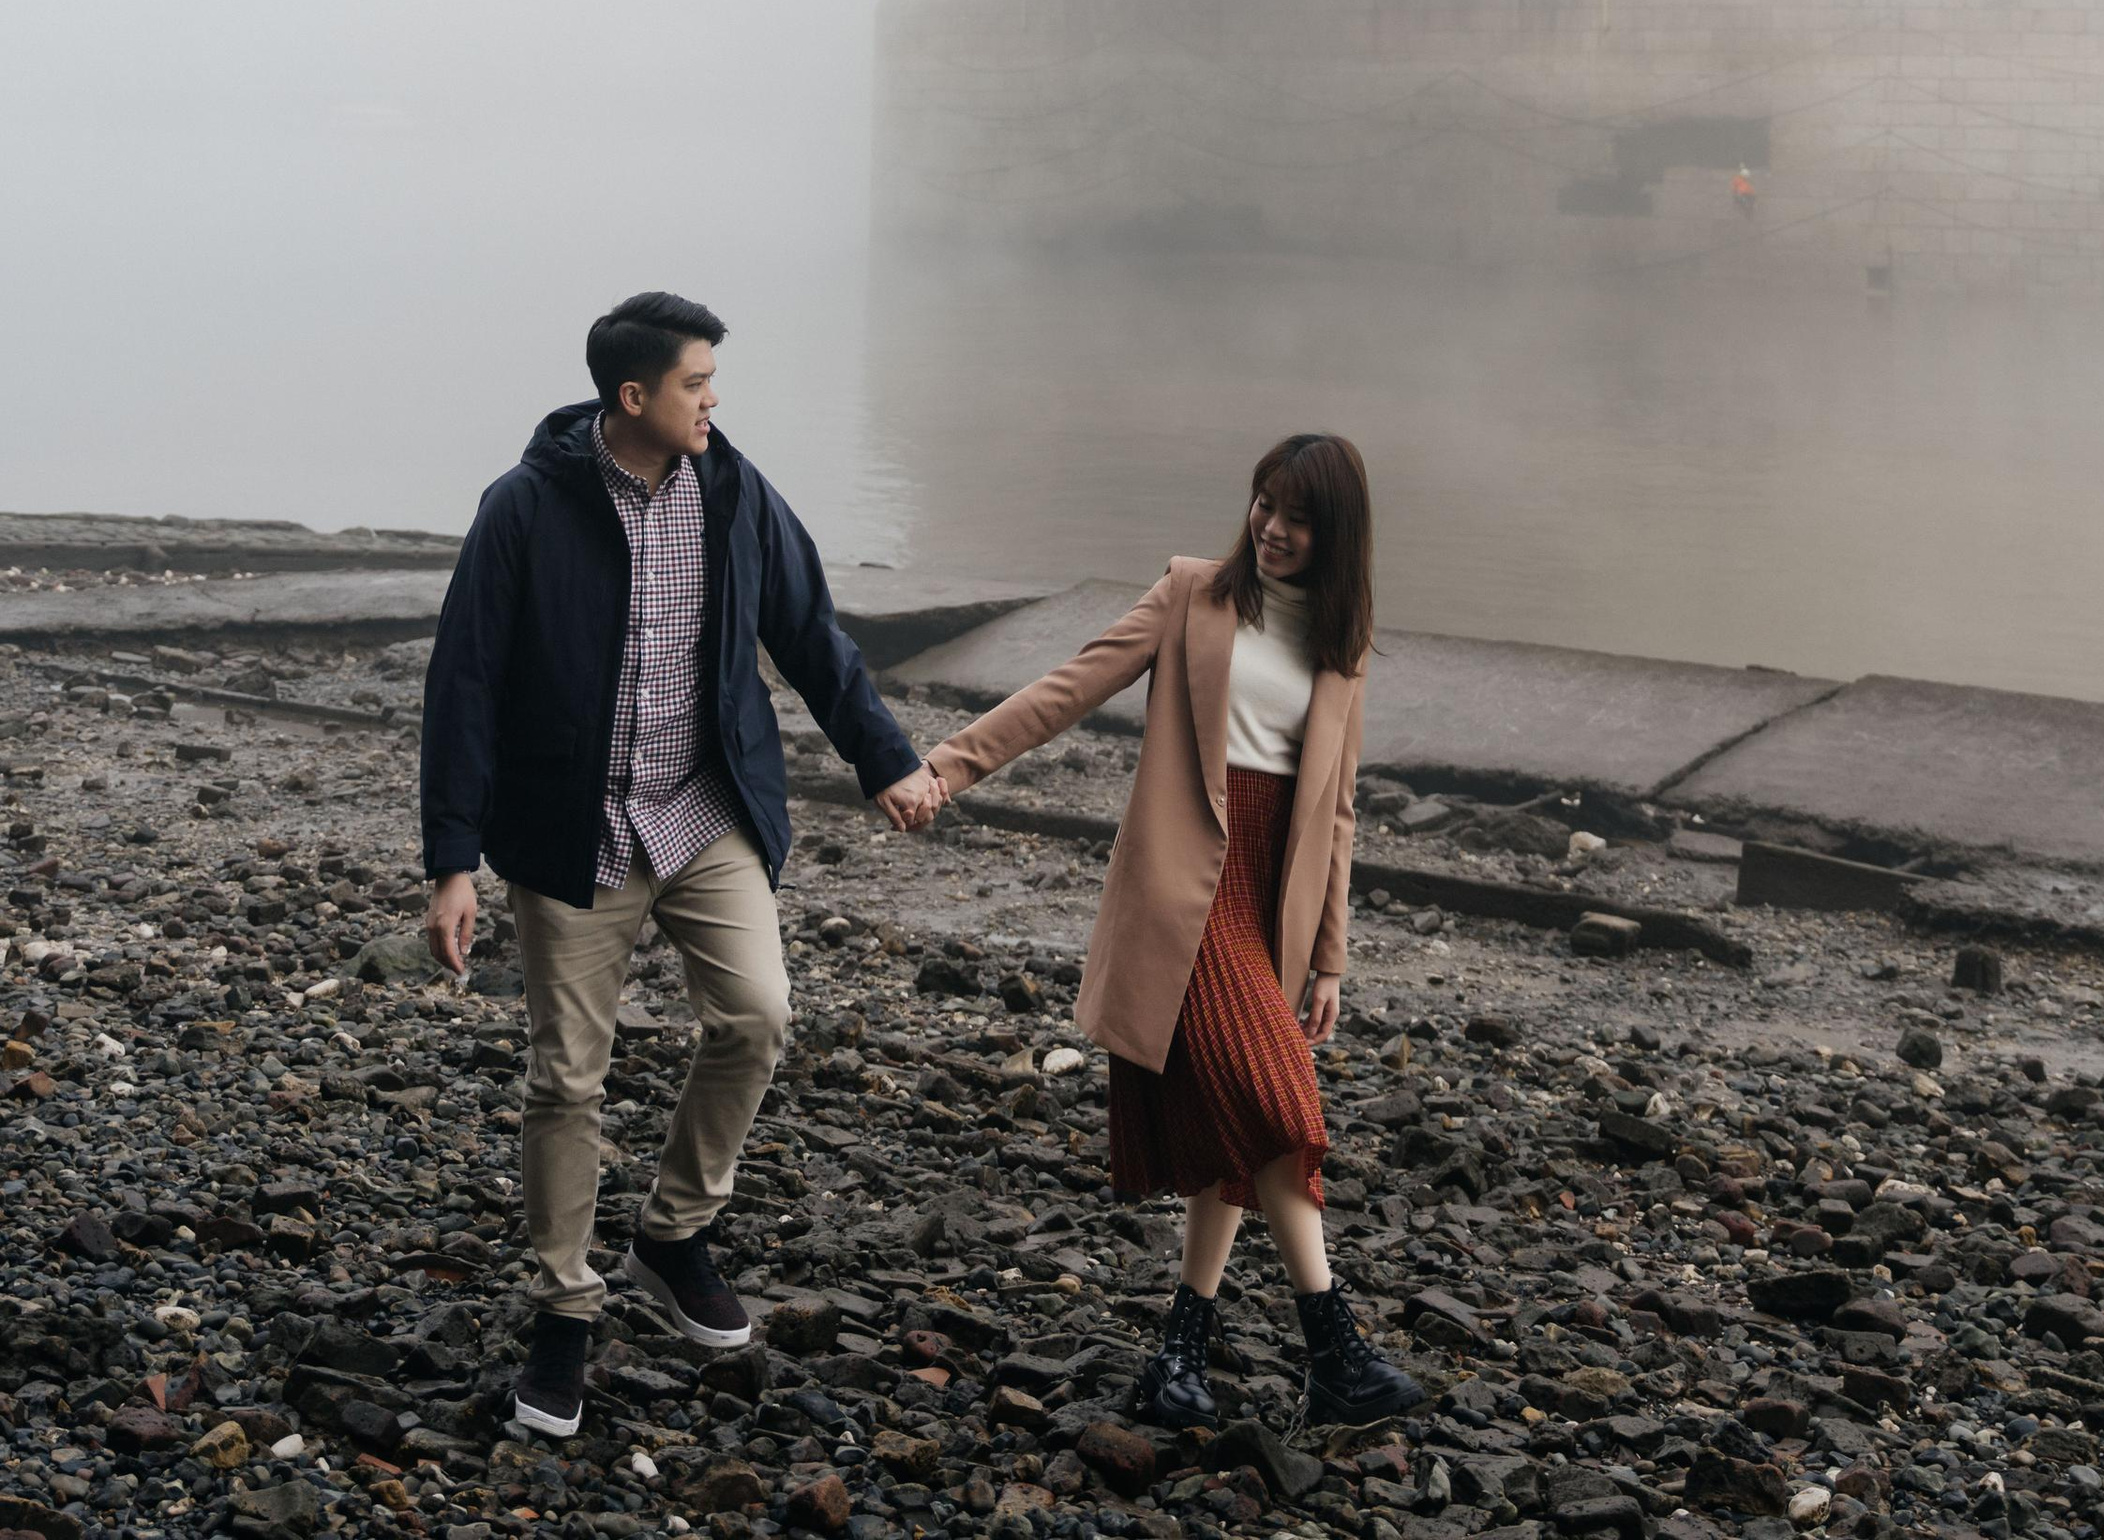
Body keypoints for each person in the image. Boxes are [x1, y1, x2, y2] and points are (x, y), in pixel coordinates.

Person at [418, 289, 939, 1442]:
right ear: (634, 396)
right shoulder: (522, 511)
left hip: (706, 814)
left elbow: (811, 633)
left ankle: (671, 1234)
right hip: (573, 832)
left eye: (713, 380)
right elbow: (462, 682)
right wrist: (452, 860)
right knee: (567, 1081)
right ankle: (564, 1310)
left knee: (757, 1017)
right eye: (698, 383)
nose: (715, 399)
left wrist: (884, 760)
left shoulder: (736, 492)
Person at [925, 429, 1426, 1435]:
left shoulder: (1344, 648)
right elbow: (1069, 688)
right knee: (1278, 1107)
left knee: (1237, 1125)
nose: (1274, 530)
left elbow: (1336, 811)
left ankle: (1180, 1354)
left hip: (1267, 901)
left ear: (1337, 537)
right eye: (1264, 506)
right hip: (1181, 897)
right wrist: (950, 765)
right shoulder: (1192, 595)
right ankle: (1332, 1347)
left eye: (1298, 519)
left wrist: (1331, 954)